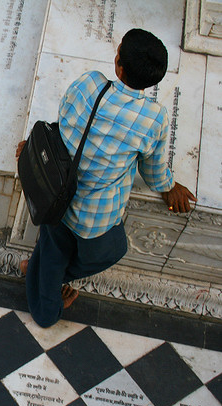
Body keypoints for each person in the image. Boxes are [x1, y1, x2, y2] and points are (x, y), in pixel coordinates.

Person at [15, 28, 197, 328]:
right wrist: (170, 187)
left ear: (119, 66)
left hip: (55, 192)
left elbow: (65, 117)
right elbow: (152, 171)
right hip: (92, 216)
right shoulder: (154, 118)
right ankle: (46, 311)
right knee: (110, 250)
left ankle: (33, 269)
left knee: (51, 250)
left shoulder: (90, 83)